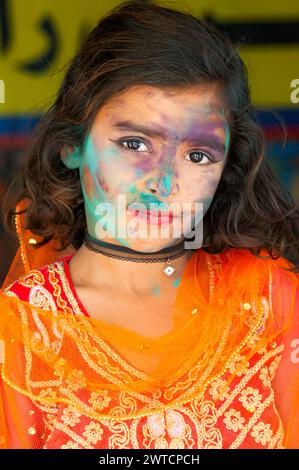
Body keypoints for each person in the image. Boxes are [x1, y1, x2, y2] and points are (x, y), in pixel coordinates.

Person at [0, 1, 298, 449]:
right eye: (134, 142)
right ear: (72, 146)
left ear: (225, 169)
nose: (162, 183)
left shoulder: (271, 302)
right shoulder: (18, 330)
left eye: (197, 156)